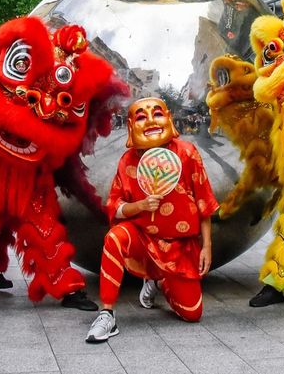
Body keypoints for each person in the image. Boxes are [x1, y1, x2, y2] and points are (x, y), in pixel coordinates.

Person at [86, 98, 218, 343]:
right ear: (130, 126)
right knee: (115, 237)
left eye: (157, 114)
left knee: (192, 313)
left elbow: (204, 202)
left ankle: (160, 282)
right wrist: (141, 206)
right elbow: (115, 208)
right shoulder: (128, 161)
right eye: (141, 117)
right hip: (143, 239)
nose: (150, 121)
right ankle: (106, 315)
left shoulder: (187, 153)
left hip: (180, 246)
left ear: (168, 117)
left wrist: (207, 246)